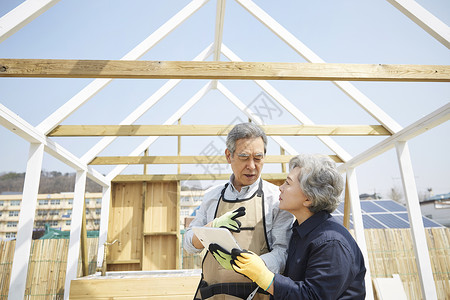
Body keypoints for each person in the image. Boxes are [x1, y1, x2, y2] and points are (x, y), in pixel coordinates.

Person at [230, 154, 366, 299]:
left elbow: (312, 296)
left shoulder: (331, 243)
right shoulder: (302, 232)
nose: (280, 188)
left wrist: (265, 277)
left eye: (288, 183)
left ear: (309, 198)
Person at [183, 122, 294, 300]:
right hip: (211, 295)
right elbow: (188, 245)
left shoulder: (276, 200)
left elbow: (283, 253)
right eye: (244, 157)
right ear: (229, 156)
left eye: (258, 158)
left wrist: (254, 265)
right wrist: (211, 228)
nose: (251, 166)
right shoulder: (212, 197)